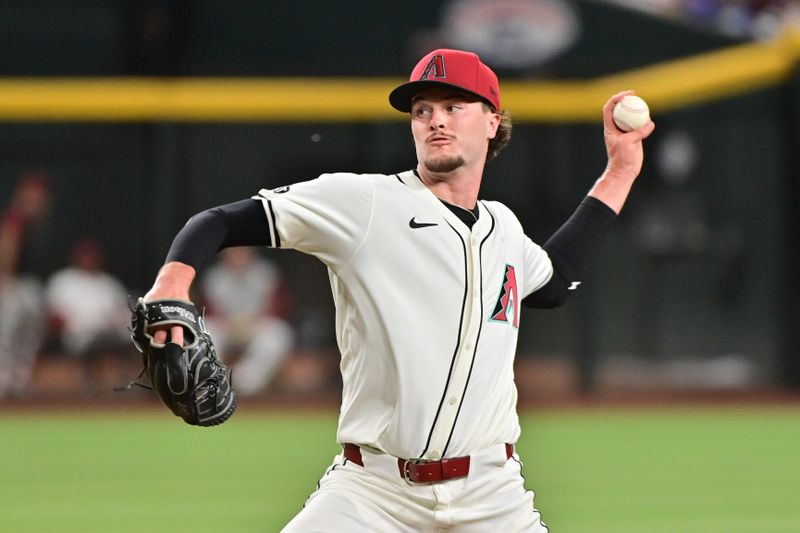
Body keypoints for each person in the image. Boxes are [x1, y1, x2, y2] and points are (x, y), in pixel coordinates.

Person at [141, 48, 654, 531]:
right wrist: (172, 286)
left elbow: (556, 280)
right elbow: (219, 222)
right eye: (423, 109)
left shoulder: (503, 228)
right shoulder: (363, 203)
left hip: (493, 495)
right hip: (373, 492)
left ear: (493, 121)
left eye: (455, 106)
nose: (436, 119)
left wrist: (620, 169)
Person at [199, 246, 294, 396]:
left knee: (278, 333)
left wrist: (253, 321)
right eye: (233, 252)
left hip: (256, 325)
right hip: (226, 326)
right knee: (206, 330)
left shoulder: (266, 273)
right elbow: (207, 311)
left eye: (242, 252)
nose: (238, 256)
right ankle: (214, 379)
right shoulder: (214, 277)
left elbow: (278, 307)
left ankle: (244, 382)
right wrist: (230, 323)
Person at [45, 238, 130, 385]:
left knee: (127, 337)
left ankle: (122, 384)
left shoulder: (109, 283)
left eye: (91, 255)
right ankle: (87, 383)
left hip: (107, 334)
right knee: (93, 341)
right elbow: (54, 317)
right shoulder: (63, 280)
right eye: (85, 255)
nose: (88, 259)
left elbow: (123, 314)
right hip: (77, 337)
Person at [0, 172, 50, 398]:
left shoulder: (32, 219)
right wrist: (4, 277)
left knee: (29, 335)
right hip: (15, 282)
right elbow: (8, 247)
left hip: (28, 283)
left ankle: (18, 382)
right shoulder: (16, 217)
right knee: (8, 333)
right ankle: (4, 379)